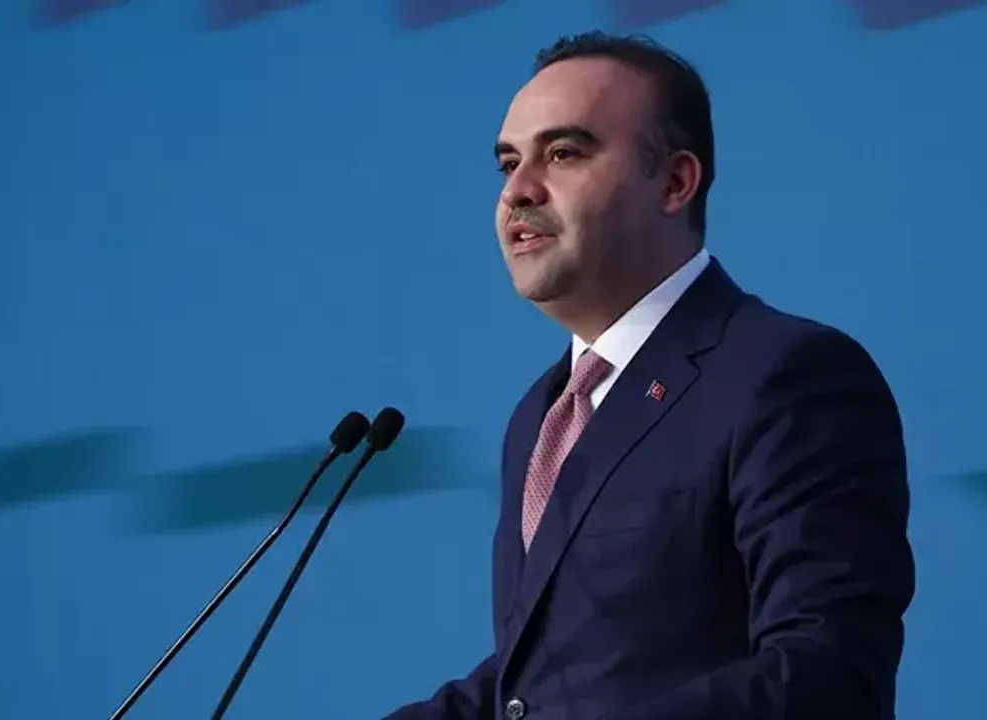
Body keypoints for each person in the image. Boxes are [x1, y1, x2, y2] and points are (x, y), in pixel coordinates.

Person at [385, 32, 915, 720]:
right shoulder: (540, 415)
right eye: (509, 163)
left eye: (563, 153)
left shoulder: (786, 375)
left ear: (673, 183)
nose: (517, 191)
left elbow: (827, 674)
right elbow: (542, 684)